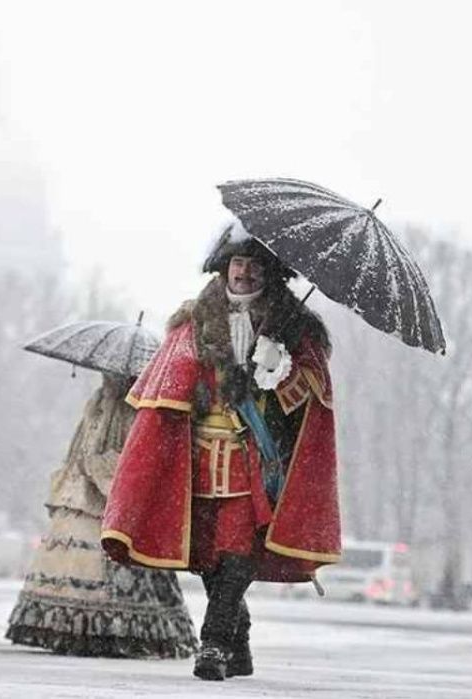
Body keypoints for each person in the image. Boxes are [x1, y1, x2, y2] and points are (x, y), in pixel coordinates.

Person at [102, 221, 341, 680]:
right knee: (208, 557)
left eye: (254, 266)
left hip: (254, 461)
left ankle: (211, 644)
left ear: (270, 273)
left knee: (238, 551)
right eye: (238, 263)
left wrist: (279, 373)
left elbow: (313, 393)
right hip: (196, 463)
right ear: (224, 267)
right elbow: (167, 390)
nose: (244, 273)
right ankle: (240, 640)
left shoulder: (295, 327)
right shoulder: (192, 322)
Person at [6, 371, 198, 658]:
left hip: (102, 496)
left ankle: (83, 627)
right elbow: (90, 452)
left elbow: (104, 452)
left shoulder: (120, 406)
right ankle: (108, 627)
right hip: (95, 496)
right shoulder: (113, 405)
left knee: (100, 557)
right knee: (104, 557)